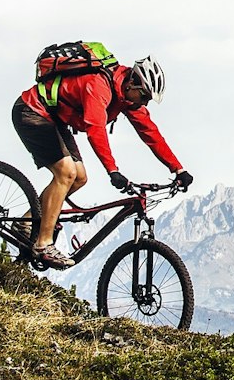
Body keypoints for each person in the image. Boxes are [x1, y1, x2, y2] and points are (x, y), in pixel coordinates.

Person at [10, 53, 192, 268]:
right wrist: (112, 170)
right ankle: (43, 244)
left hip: (56, 119)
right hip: (32, 111)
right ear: (133, 83)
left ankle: (26, 222)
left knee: (79, 178)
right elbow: (95, 129)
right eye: (144, 97)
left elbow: (150, 133)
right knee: (67, 173)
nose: (145, 103)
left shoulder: (126, 98)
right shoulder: (98, 85)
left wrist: (178, 169)